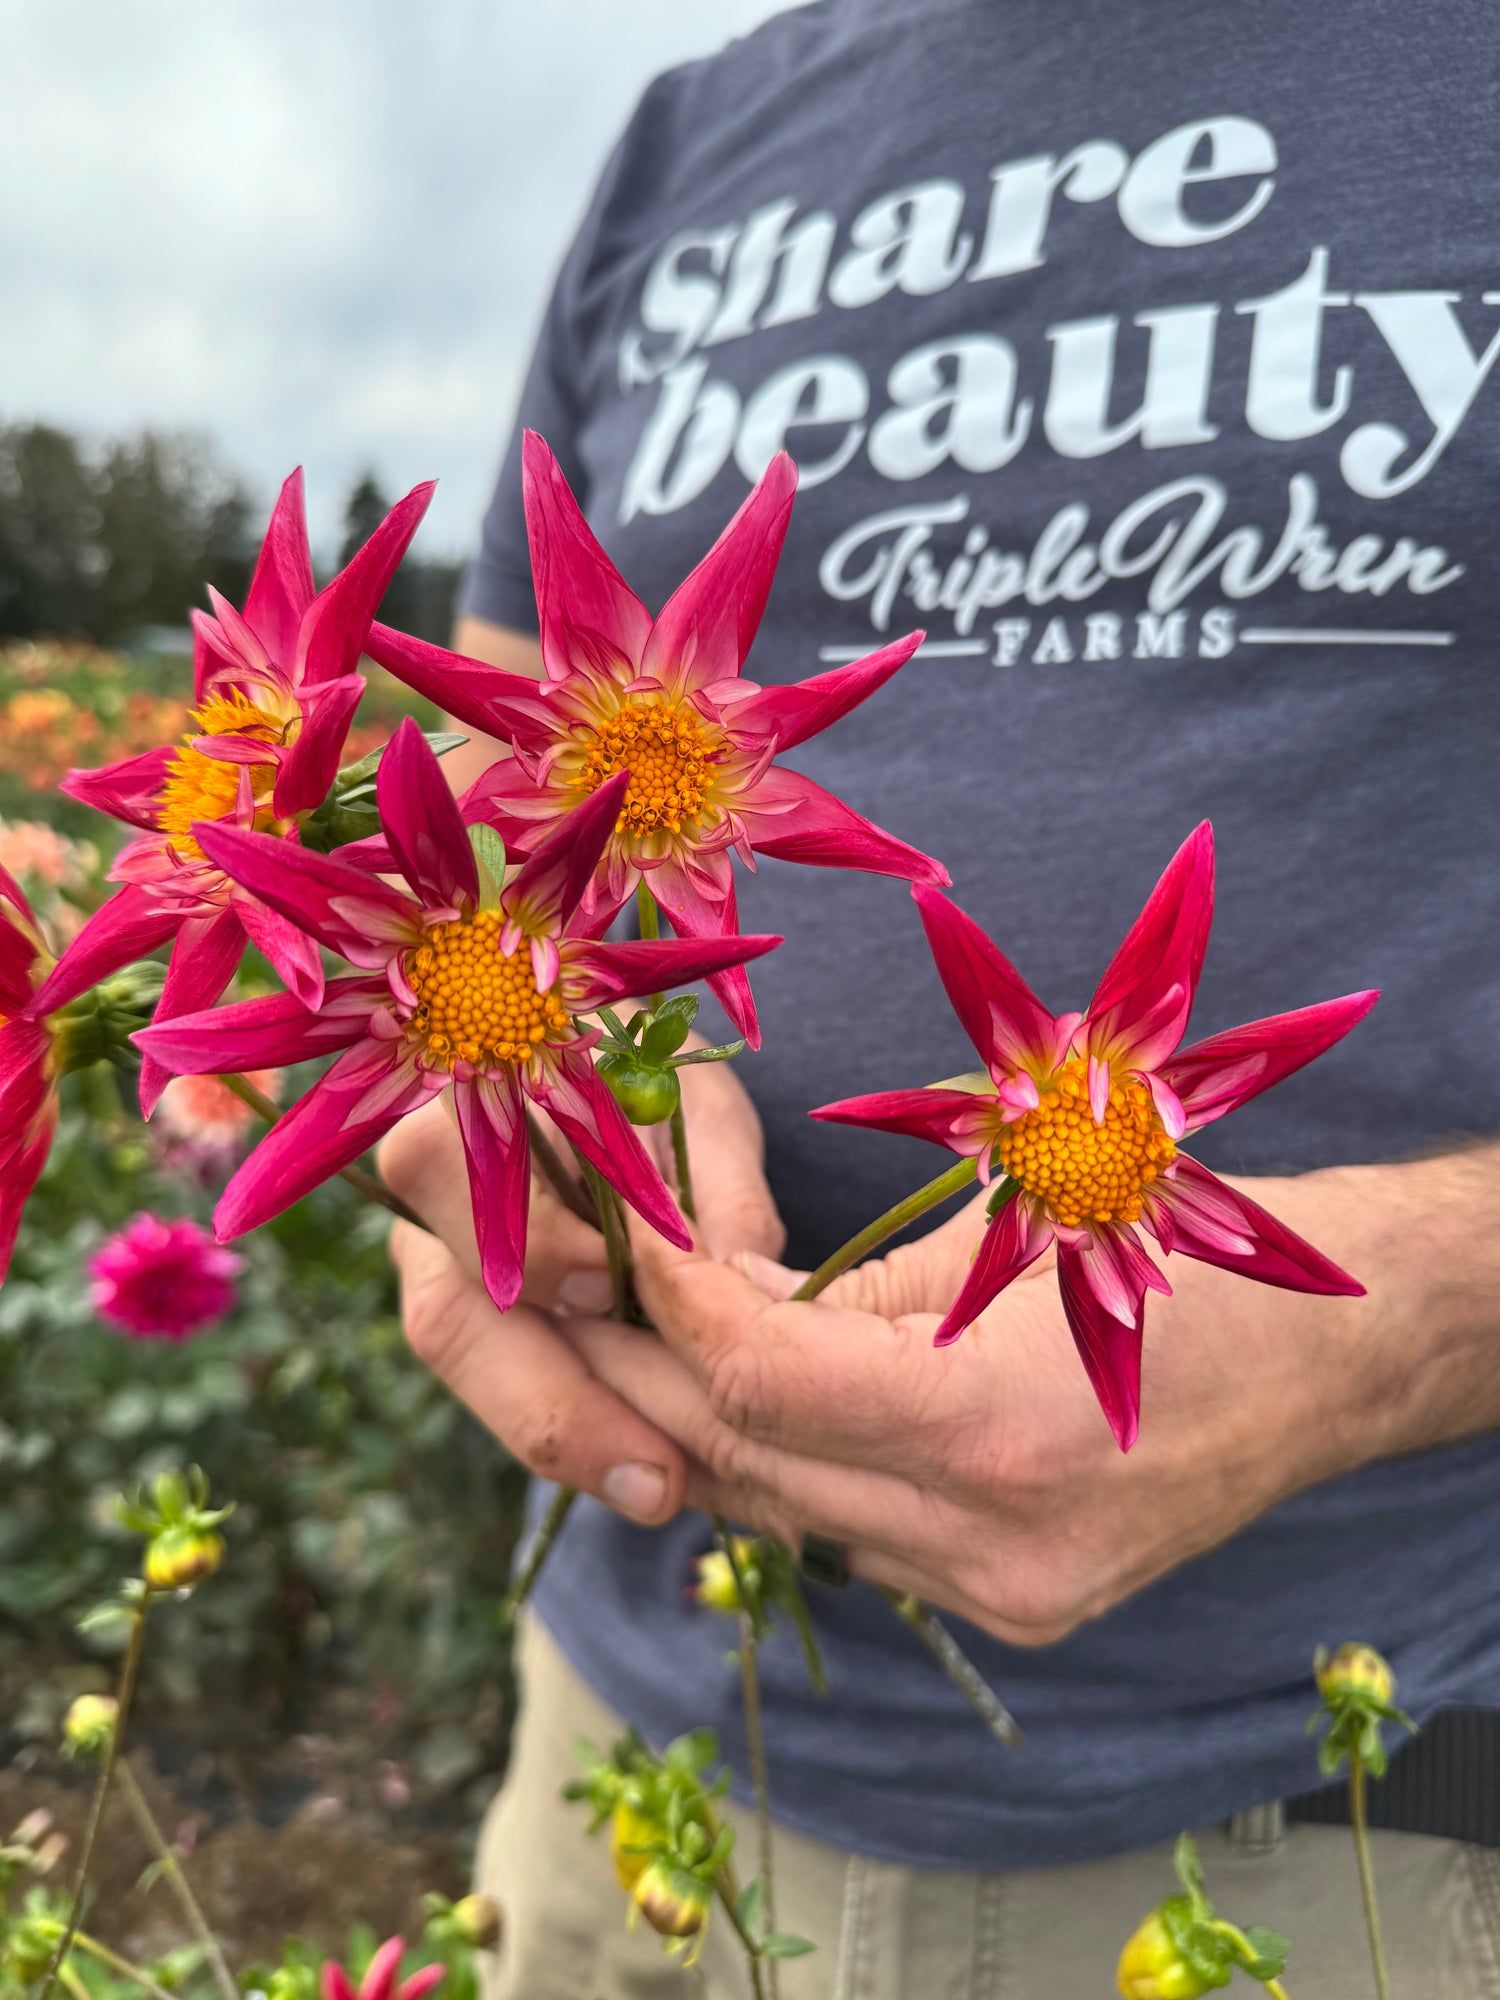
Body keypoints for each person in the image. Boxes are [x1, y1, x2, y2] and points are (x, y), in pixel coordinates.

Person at [378, 2, 1500, 1991]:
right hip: (631, 1757)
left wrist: (1404, 1316)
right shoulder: (689, 134)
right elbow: (474, 805)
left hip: (1354, 1814)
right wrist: (482, 1119)